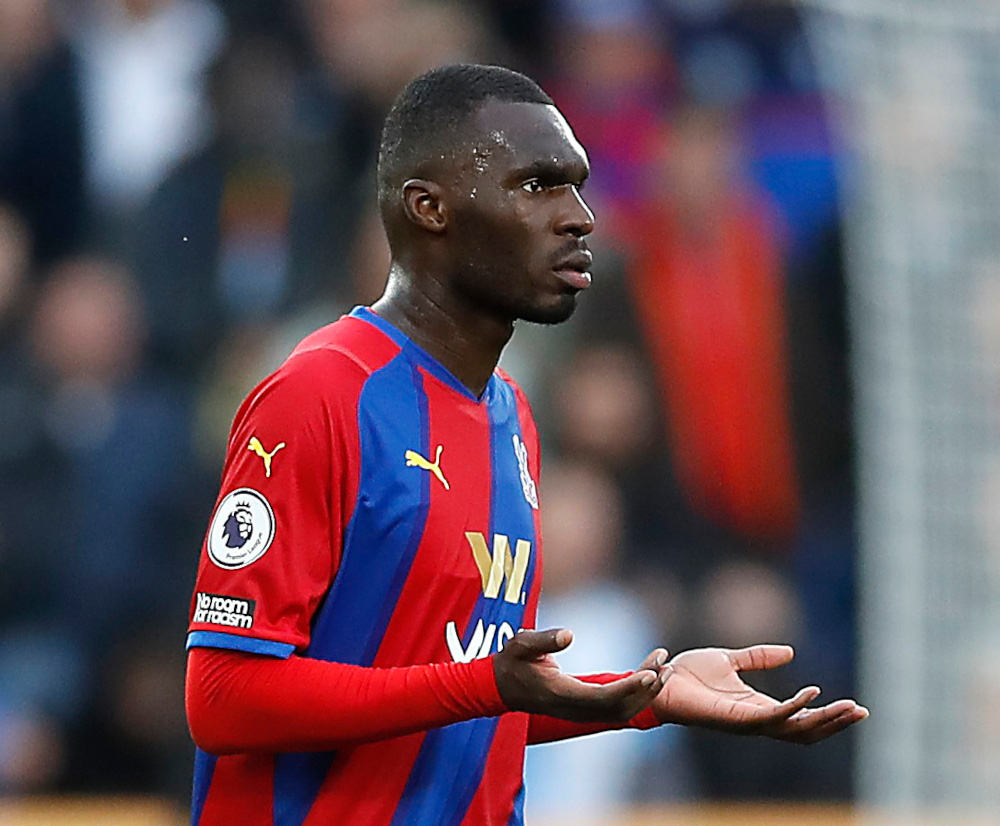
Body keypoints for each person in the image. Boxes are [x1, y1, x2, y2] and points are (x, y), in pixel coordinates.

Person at [184, 64, 868, 825]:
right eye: (537, 185)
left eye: (576, 185)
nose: (580, 216)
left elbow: (468, 704)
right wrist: (481, 685)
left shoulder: (512, 418)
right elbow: (222, 699)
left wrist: (645, 695)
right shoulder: (320, 395)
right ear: (429, 209)